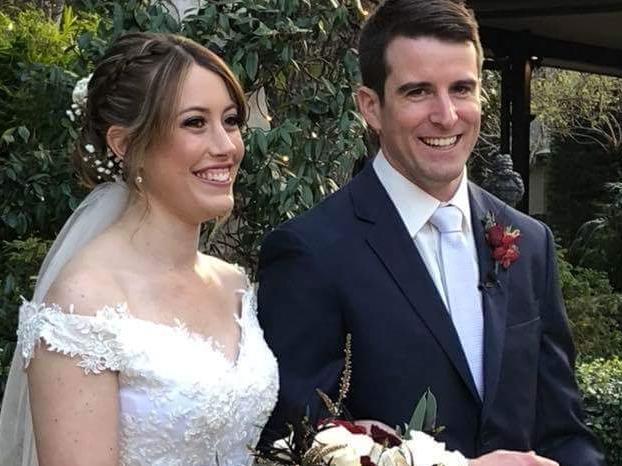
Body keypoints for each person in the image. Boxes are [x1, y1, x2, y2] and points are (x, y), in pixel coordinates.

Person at [257, 1, 604, 465]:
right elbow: (295, 445)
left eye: (462, 88)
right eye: (418, 92)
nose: (446, 115)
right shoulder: (309, 252)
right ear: (371, 107)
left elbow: (563, 431)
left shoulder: (529, 241)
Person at [0, 32, 278, 466]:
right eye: (194, 123)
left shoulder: (233, 283)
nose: (227, 147)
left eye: (230, 120)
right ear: (126, 145)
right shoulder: (84, 303)